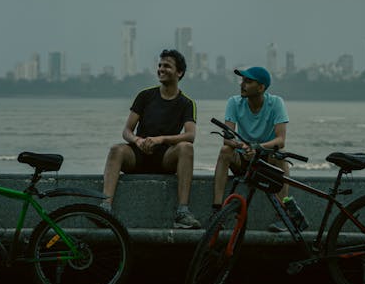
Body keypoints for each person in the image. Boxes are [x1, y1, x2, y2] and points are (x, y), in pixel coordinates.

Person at [102, 48, 201, 229]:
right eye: (160, 65)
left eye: (167, 66)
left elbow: (190, 135)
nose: (161, 69)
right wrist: (137, 141)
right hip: (138, 155)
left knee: (186, 147)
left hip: (165, 158)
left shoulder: (186, 103)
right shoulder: (145, 95)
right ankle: (105, 207)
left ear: (179, 73)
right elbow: (127, 131)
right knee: (116, 149)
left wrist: (160, 139)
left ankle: (182, 212)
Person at [212, 66, 300, 231]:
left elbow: (280, 140)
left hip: (265, 162)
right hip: (243, 159)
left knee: (280, 155)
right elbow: (227, 139)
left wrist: (257, 148)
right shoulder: (234, 102)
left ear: (261, 87)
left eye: (248, 81)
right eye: (243, 80)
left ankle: (283, 215)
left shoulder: (276, 103)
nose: (242, 84)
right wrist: (242, 146)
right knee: (225, 152)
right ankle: (217, 209)